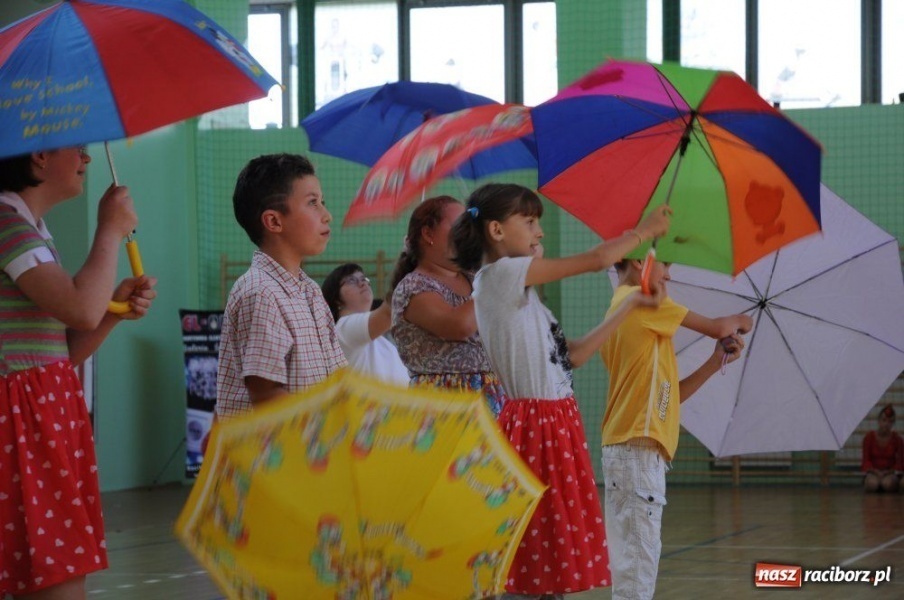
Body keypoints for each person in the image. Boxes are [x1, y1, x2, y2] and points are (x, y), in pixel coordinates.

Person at [449, 183, 671, 598]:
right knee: (534, 548)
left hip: (555, 424)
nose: (540, 232)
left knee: (549, 552)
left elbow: (578, 355)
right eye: (530, 222)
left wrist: (631, 307)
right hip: (536, 426)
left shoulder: (526, 296)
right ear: (496, 230)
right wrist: (644, 230)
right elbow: (597, 259)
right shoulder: (499, 275)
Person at [0, 146, 157, 599]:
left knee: (60, 574)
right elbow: (81, 309)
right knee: (57, 580)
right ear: (40, 156)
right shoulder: (7, 226)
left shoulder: (29, 229)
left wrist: (114, 312)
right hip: (24, 429)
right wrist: (109, 231)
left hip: (43, 418)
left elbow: (58, 352)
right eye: (79, 149)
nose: (88, 160)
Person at [600, 257, 752, 600]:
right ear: (642, 261)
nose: (669, 274)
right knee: (636, 577)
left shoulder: (624, 309)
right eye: (665, 264)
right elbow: (718, 326)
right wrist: (746, 319)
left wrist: (715, 362)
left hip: (631, 452)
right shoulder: (641, 301)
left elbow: (670, 397)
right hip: (637, 454)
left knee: (633, 572)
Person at [216, 154, 346, 420]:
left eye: (323, 202)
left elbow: (338, 380)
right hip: (271, 458)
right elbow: (266, 397)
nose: (327, 215)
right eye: (313, 203)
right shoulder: (261, 292)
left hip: (313, 454)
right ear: (274, 222)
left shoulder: (310, 291)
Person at [390, 195, 506, 417]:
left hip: (492, 399)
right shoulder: (414, 285)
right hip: (443, 407)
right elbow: (457, 326)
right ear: (427, 233)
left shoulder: (474, 279)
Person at [321, 263, 408, 386]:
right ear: (336, 298)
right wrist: (410, 265)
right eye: (351, 281)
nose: (363, 283)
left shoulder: (380, 341)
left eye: (364, 279)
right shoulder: (343, 329)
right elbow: (389, 313)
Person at [861, 404, 903, 493]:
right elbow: (865, 461)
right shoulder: (869, 438)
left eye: (890, 421)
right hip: (873, 472)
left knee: (888, 484)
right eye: (884, 420)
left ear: (893, 424)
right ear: (879, 421)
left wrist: (888, 472)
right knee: (872, 484)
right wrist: (875, 472)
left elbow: (900, 463)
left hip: (890, 473)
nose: (886, 424)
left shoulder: (897, 439)